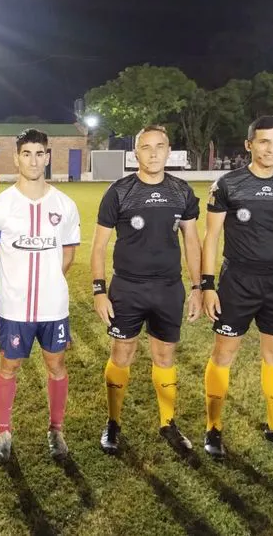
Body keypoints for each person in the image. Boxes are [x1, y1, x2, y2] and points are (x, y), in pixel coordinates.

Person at [201, 115, 273, 460]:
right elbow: (211, 237)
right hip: (237, 281)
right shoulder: (228, 184)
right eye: (263, 141)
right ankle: (213, 428)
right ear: (249, 145)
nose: (271, 149)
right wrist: (208, 285)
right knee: (224, 354)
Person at [91, 125, 202, 456]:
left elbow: (192, 241)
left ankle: (168, 423)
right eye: (145, 147)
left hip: (168, 289)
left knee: (164, 356)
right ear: (135, 153)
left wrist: (198, 286)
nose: (153, 153)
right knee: (121, 354)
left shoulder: (181, 191)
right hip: (128, 288)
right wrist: (99, 290)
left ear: (169, 151)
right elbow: (98, 246)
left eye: (159, 146)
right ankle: (113, 421)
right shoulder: (119, 192)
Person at [0, 129, 80, 463]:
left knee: (56, 364)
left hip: (53, 305)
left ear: (47, 157)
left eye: (39, 153)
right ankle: (3, 432)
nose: (33, 160)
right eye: (26, 153)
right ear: (16, 158)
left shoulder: (64, 205)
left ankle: (56, 430)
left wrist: (49, 281)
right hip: (14, 307)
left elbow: (68, 254)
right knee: (9, 365)